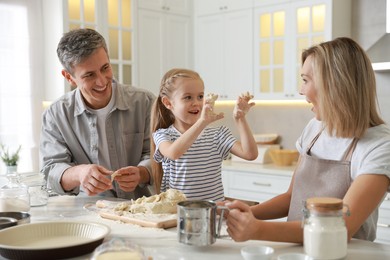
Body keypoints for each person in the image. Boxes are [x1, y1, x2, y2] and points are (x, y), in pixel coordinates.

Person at [224, 37, 390, 243]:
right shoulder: (314, 129)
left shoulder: (379, 146)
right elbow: (291, 199)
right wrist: (244, 213)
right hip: (296, 252)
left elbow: (341, 227)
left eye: (305, 80)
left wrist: (258, 230)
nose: (301, 90)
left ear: (335, 84)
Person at [40, 28, 155, 199]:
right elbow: (50, 172)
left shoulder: (145, 102)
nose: (101, 81)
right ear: (69, 77)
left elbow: (162, 156)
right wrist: (79, 173)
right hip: (87, 213)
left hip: (140, 209)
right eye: (89, 75)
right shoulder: (56, 115)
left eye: (105, 68)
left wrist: (143, 172)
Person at [150, 68, 258, 201]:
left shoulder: (218, 134)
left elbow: (250, 154)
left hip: (212, 213)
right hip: (178, 215)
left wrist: (240, 119)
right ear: (168, 103)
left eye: (200, 96)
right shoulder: (163, 135)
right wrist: (202, 122)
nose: (196, 102)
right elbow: (174, 153)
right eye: (188, 97)